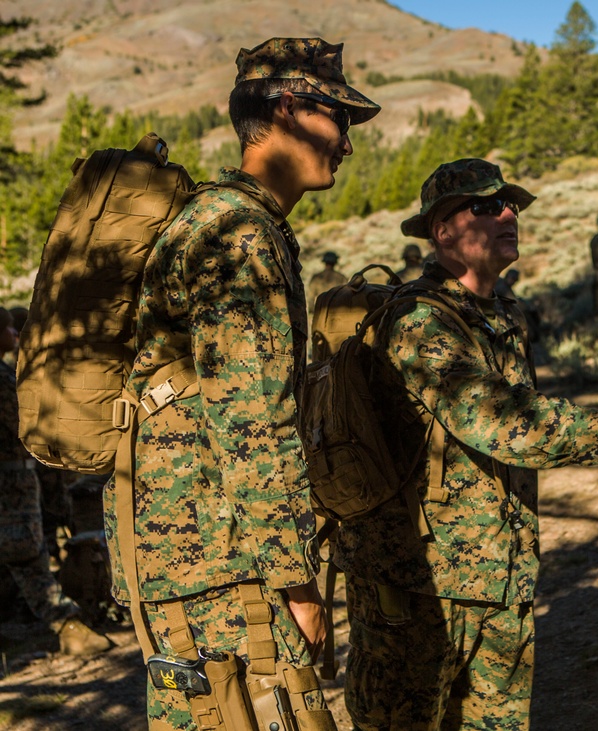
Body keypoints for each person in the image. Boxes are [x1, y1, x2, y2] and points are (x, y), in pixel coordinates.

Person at [334, 158, 598, 730]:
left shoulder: (503, 314)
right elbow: (498, 420)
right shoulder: (419, 320)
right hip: (424, 584)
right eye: (484, 205)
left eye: (511, 205)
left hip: (500, 573)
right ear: (441, 230)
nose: (506, 214)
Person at [103, 37, 380, 728]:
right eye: (338, 118)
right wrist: (298, 582)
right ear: (287, 108)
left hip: (199, 562)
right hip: (226, 571)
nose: (347, 142)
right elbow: (252, 422)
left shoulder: (228, 220)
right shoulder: (239, 233)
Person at [0, 306, 111, 656]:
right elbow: (26, 431)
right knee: (28, 556)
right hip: (12, 485)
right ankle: (70, 629)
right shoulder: (4, 380)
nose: (15, 335)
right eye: (9, 329)